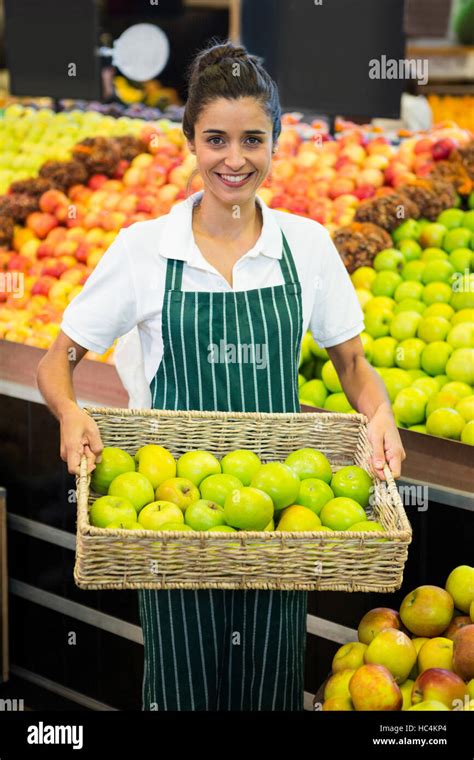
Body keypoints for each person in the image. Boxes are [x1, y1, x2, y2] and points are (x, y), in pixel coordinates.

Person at [37, 40, 406, 711]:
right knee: (180, 694)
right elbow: (55, 359)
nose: (234, 160)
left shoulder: (307, 246)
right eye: (215, 139)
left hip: (280, 519)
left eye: (252, 140)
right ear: (189, 140)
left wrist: (379, 416)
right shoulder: (144, 250)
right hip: (169, 512)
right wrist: (69, 413)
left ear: (276, 141)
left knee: (268, 692)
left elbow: (351, 364)